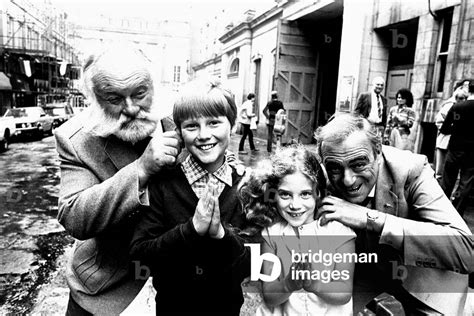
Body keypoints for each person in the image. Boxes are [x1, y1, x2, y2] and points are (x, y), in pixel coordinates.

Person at [55, 45, 182, 315]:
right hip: (107, 291)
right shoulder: (75, 138)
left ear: (153, 85)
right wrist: (141, 170)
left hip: (179, 285)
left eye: (140, 94)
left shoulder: (181, 120)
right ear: (95, 99)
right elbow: (74, 216)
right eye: (114, 98)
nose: (131, 108)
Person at [314, 113, 473, 315]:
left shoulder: (409, 169)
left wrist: (370, 219)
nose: (347, 180)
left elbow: (467, 250)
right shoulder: (322, 177)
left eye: (359, 164)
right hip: (366, 269)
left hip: (423, 273)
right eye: (335, 168)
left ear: (378, 151)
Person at [129, 80, 253, 316]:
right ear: (178, 132)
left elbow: (255, 264)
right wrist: (190, 231)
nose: (204, 135)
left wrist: (222, 236)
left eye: (214, 122)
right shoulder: (162, 184)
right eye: (192, 126)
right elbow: (140, 259)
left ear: (233, 125)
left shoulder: (247, 187)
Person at [239, 145, 356, 315]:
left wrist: (314, 284)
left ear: (319, 193)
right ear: (273, 195)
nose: (295, 205)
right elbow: (270, 296)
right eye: (285, 194)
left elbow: (344, 292)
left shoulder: (339, 232)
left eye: (305, 194)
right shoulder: (272, 234)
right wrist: (288, 284)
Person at [440, 80, 474, 217]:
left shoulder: (458, 107)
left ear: (469, 90)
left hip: (455, 148)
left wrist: (457, 128)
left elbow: (445, 128)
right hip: (472, 152)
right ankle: (457, 213)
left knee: (447, 180)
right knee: (466, 182)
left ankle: (441, 210)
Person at [434, 84, 469, 182]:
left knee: (452, 173)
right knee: (440, 172)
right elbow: (439, 122)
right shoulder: (449, 106)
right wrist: (453, 128)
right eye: (460, 98)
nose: (462, 101)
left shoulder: (466, 108)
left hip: (457, 144)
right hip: (445, 142)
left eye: (464, 98)